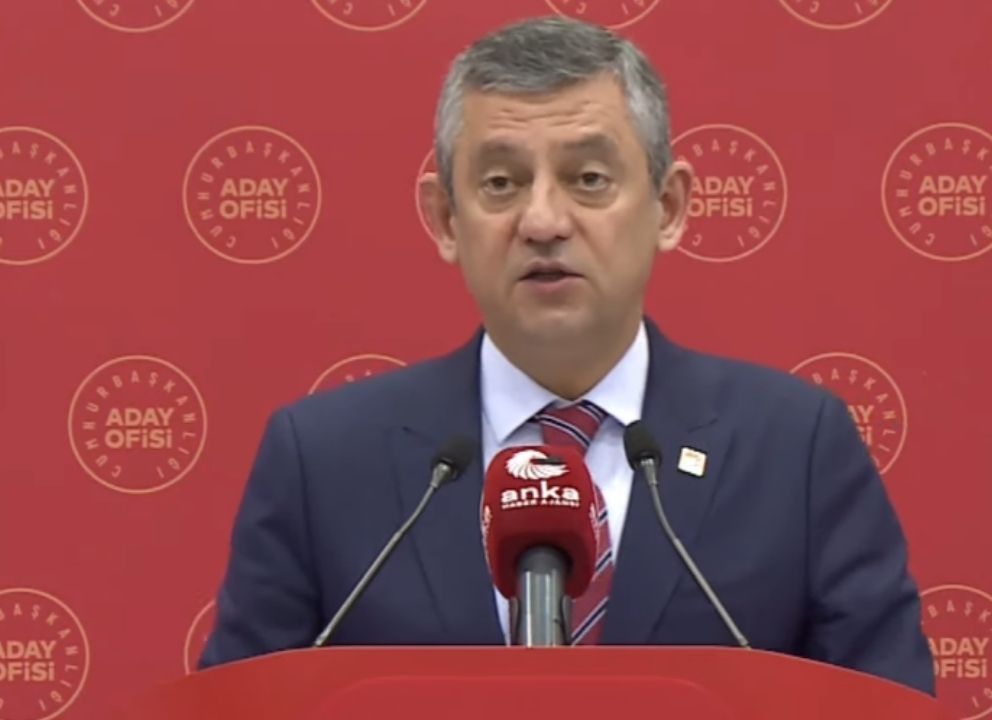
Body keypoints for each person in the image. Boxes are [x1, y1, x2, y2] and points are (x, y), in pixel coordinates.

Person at [198, 15, 934, 696]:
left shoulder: (796, 448)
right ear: (446, 218)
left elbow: (886, 701)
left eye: (588, 180)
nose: (544, 220)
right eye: (501, 183)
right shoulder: (324, 461)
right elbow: (237, 707)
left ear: (669, 207)